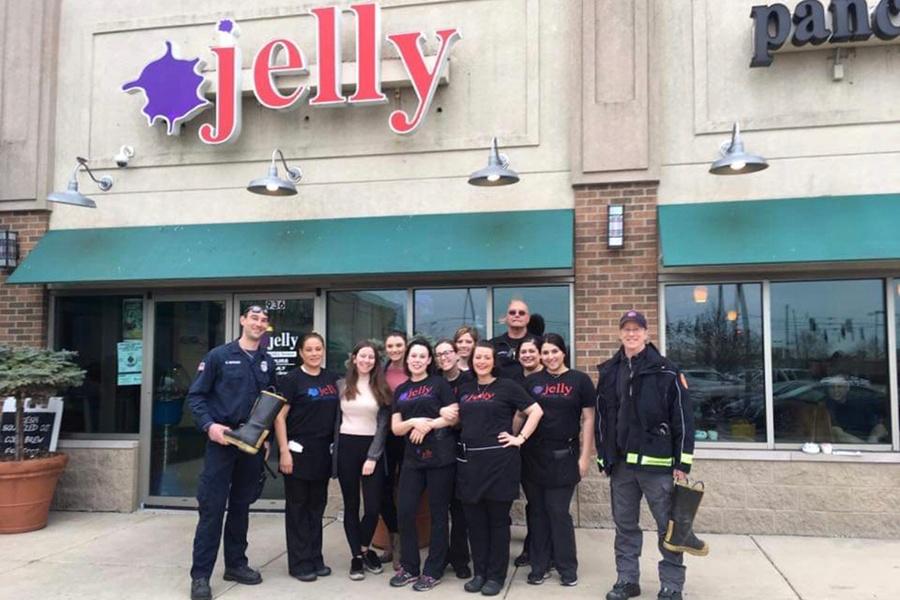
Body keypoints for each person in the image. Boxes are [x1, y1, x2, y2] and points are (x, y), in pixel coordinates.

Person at [595, 310, 694, 600]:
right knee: (625, 526)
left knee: (668, 528)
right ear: (619, 334)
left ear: (647, 334)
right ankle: (627, 581)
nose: (631, 334)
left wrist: (683, 461)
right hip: (622, 466)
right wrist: (603, 455)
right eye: (626, 329)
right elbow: (602, 418)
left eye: (637, 329)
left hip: (658, 468)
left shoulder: (666, 370)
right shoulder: (610, 370)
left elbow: (683, 419)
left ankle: (671, 585)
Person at [187, 305, 276, 600]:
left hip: (250, 445)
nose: (259, 323)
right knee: (212, 509)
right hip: (222, 442)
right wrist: (209, 426)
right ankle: (200, 576)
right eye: (254, 318)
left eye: (264, 320)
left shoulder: (267, 361)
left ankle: (236, 565)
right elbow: (196, 396)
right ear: (242, 321)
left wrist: (266, 440)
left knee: (240, 507)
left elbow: (268, 406)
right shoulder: (218, 356)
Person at [454, 340, 543, 596]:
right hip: (470, 464)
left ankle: (496, 576)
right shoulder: (464, 388)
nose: (481, 361)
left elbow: (535, 411)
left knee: (497, 522)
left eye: (486, 357)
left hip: (500, 463)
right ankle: (479, 572)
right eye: (477, 357)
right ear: (471, 361)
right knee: (475, 522)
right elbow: (459, 418)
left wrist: (520, 438)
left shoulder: (508, 386)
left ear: (494, 361)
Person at [521, 333, 595, 587]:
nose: (550, 357)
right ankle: (539, 566)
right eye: (546, 352)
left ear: (564, 353)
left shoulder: (580, 380)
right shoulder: (531, 382)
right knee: (538, 513)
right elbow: (521, 416)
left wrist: (585, 457)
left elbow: (588, 420)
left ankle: (566, 566)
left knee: (558, 512)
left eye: (555, 351)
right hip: (533, 457)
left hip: (565, 456)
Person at [389, 338, 459, 591]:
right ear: (407, 360)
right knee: (405, 511)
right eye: (413, 356)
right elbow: (396, 428)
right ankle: (409, 567)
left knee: (439, 515)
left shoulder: (438, 384)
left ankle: (433, 570)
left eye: (422, 356)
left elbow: (452, 416)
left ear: (429, 360)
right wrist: (415, 421)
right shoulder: (401, 390)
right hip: (412, 458)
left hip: (441, 456)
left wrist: (427, 425)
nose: (416, 360)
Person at [275, 332, 339, 582]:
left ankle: (315, 558)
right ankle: (299, 563)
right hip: (297, 451)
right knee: (298, 508)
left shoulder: (331, 378)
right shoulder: (291, 379)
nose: (314, 353)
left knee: (316, 507)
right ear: (300, 352)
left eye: (318, 349)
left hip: (322, 453)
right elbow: (279, 417)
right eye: (309, 349)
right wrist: (283, 451)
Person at [332, 341, 393, 580]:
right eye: (362, 356)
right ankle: (357, 557)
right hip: (346, 447)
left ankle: (365, 548)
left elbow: (383, 426)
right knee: (350, 505)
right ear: (354, 358)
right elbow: (335, 421)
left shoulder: (381, 387)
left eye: (371, 357)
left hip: (371, 449)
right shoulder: (340, 385)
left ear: (375, 362)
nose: (367, 360)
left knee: (373, 507)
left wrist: (372, 456)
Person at [435, 339, 473, 579]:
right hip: (437, 450)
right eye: (439, 354)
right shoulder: (433, 382)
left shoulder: (468, 381)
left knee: (460, 508)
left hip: (463, 449)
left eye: (447, 352)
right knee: (440, 507)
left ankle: (460, 558)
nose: (444, 357)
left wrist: (452, 416)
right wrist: (441, 412)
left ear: (457, 355)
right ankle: (440, 555)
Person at [512, 334, 544, 568]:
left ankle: (542, 549)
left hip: (547, 448)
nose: (527, 355)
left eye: (532, 351)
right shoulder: (515, 380)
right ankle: (533, 547)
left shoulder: (549, 379)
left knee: (546, 504)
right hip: (521, 448)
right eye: (523, 352)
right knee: (533, 502)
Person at [378, 331, 408, 569]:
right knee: (384, 489)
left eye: (399, 345)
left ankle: (405, 547)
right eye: (391, 345)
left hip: (410, 437)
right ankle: (393, 541)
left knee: (408, 491)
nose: (395, 349)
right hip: (385, 437)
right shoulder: (381, 371)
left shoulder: (415, 368)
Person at [490, 299, 531, 382]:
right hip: (501, 392)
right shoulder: (493, 344)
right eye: (512, 312)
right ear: (506, 317)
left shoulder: (538, 343)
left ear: (528, 318)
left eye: (521, 313)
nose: (517, 315)